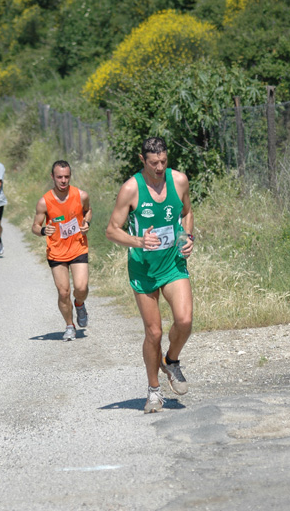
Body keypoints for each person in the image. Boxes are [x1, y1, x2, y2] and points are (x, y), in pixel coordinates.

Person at [106, 137, 194, 414]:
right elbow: (111, 230)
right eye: (154, 163)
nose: (159, 168)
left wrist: (186, 237)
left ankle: (172, 360)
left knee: (185, 320)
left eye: (164, 162)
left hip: (172, 263)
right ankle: (154, 391)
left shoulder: (179, 181)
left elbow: (188, 212)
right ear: (142, 160)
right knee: (153, 332)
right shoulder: (131, 188)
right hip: (143, 269)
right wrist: (138, 241)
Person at [32, 160, 92, 341]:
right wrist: (43, 230)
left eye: (66, 177)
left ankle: (79, 304)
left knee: (81, 287)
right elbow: (35, 226)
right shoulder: (44, 201)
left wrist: (86, 222)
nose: (63, 180)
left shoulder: (81, 195)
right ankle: (69, 325)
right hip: (56, 251)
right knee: (63, 291)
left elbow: (88, 211)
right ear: (53, 177)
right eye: (59, 177)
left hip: (78, 246)